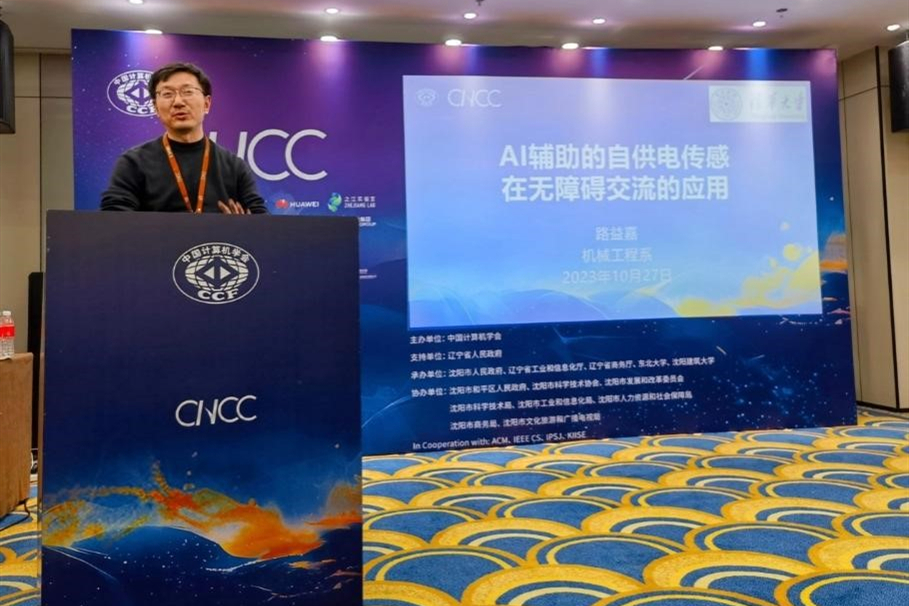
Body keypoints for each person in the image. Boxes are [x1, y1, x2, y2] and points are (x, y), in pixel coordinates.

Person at [100, 62, 267, 214]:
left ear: (207, 104)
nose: (178, 102)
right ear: (155, 107)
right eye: (167, 94)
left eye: (188, 92)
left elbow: (261, 222)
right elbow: (114, 218)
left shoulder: (234, 167)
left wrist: (241, 226)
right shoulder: (134, 163)